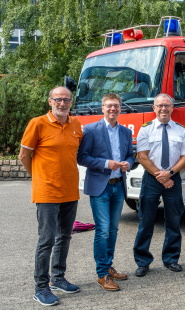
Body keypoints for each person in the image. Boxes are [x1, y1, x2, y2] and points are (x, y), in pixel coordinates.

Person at [19, 86, 83, 306]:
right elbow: (24, 155)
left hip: (70, 190)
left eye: (66, 100)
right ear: (50, 101)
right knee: (46, 240)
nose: (62, 103)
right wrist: (39, 177)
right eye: (58, 99)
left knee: (65, 236)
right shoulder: (37, 123)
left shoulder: (76, 124)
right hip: (46, 191)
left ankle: (58, 278)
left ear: (71, 102)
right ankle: (41, 287)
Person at [77, 93, 134, 291]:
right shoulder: (91, 130)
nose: (113, 109)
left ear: (120, 108)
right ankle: (102, 275)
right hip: (100, 187)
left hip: (118, 186)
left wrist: (129, 163)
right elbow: (82, 157)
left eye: (116, 106)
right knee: (102, 231)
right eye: (109, 106)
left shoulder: (126, 132)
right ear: (102, 108)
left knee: (113, 230)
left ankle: (108, 267)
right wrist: (105, 163)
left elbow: (130, 155)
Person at [133, 94, 185, 277]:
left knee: (173, 221)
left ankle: (171, 259)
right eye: (160, 106)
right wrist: (162, 176)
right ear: (154, 108)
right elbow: (142, 156)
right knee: (146, 221)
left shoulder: (180, 130)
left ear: (172, 108)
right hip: (152, 179)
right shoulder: (146, 129)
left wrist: (170, 174)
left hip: (173, 178)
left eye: (167, 106)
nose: (163, 109)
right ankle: (143, 261)